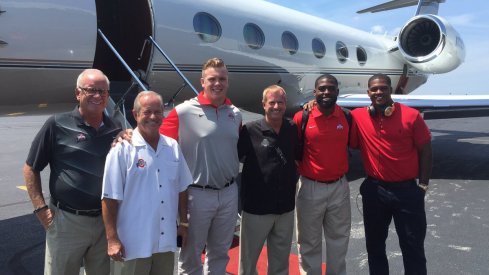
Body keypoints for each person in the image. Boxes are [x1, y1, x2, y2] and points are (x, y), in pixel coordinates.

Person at [23, 69, 122, 275]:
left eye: (103, 92)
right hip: (67, 222)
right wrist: (41, 209)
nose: (98, 96)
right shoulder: (57, 124)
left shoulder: (115, 128)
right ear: (78, 93)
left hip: (104, 223)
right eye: (91, 90)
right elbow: (31, 168)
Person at [160, 57, 242, 274]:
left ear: (228, 82)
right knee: (191, 256)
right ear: (202, 82)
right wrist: (127, 134)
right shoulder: (184, 112)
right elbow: (155, 141)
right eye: (212, 79)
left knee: (220, 253)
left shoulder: (235, 114)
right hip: (197, 195)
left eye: (222, 79)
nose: (218, 83)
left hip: (228, 193)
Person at [101, 91, 193, 275]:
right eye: (147, 112)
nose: (153, 116)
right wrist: (112, 239)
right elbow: (109, 197)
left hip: (164, 242)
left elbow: (182, 187)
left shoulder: (172, 147)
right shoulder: (122, 149)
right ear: (135, 115)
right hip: (132, 245)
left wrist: (183, 223)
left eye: (158, 112)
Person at [349, 74, 432, 275]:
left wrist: (422, 185)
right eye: (374, 89)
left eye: (383, 88)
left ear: (390, 90)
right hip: (375, 191)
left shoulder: (411, 116)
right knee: (375, 247)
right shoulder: (358, 116)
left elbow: (426, 150)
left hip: (407, 192)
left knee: (412, 247)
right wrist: (311, 105)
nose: (379, 92)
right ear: (368, 93)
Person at [237, 85, 298, 275]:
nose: (276, 106)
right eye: (272, 102)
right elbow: (236, 160)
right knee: (248, 264)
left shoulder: (292, 128)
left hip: (285, 209)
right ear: (264, 104)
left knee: (280, 263)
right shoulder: (249, 131)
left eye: (280, 102)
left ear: (285, 104)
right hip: (256, 209)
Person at [293, 74, 351, 275]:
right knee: (309, 241)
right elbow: (294, 150)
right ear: (315, 92)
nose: (326, 92)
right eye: (322, 89)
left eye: (331, 88)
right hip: (310, 187)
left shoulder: (347, 116)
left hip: (339, 187)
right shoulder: (302, 117)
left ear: (337, 91)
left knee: (339, 240)